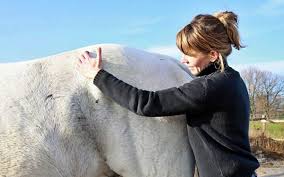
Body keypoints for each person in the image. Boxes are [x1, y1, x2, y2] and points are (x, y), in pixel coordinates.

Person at [76, 11, 259, 177]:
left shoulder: (210, 87)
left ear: (212, 55)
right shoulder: (233, 79)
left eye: (190, 54)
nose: (183, 60)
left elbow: (148, 103)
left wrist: (98, 76)